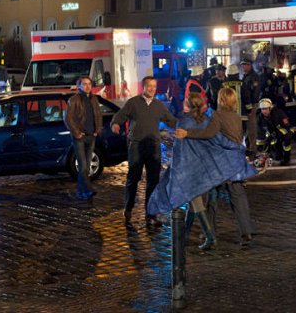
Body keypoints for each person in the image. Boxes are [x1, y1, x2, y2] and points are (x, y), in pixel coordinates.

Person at [174, 88, 255, 247]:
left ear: (221, 100)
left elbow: (208, 133)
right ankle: (246, 233)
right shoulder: (237, 117)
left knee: (211, 199)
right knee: (238, 199)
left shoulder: (217, 116)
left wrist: (187, 133)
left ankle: (209, 233)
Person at [111, 76, 178, 227]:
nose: (152, 89)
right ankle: (128, 207)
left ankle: (151, 213)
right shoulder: (133, 103)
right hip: (136, 145)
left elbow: (171, 120)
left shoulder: (158, 105)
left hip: (153, 146)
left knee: (153, 180)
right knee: (133, 178)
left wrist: (184, 127)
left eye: (154, 86)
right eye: (149, 86)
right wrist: (115, 124)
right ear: (144, 87)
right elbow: (120, 116)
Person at [64, 76, 103, 200]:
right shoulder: (74, 100)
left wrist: (97, 130)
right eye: (84, 84)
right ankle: (88, 189)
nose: (87, 86)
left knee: (86, 166)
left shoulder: (94, 99)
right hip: (80, 137)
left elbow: (98, 115)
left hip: (91, 136)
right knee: (83, 166)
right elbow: (68, 118)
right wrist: (76, 133)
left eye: (89, 84)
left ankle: (82, 191)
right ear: (79, 86)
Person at [256, 98, 293, 166]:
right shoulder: (259, 118)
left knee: (286, 141)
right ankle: (279, 156)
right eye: (262, 109)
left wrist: (276, 134)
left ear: (270, 108)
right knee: (277, 156)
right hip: (273, 135)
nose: (264, 111)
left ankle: (286, 158)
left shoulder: (279, 113)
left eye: (266, 109)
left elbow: (287, 126)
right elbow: (260, 133)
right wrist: (260, 148)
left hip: (285, 132)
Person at [239, 59, 260, 158]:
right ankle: (248, 148)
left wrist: (251, 106)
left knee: (251, 127)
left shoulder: (253, 77)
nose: (243, 67)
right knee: (247, 127)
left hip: (252, 104)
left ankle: (252, 149)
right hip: (246, 105)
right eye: (243, 65)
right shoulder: (246, 76)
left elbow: (255, 92)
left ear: (250, 65)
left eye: (245, 65)